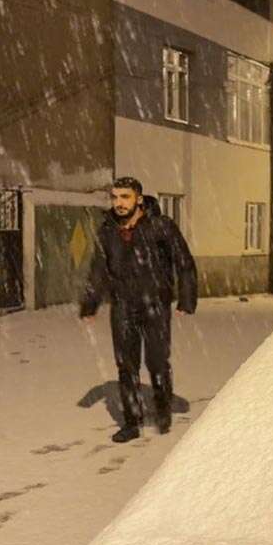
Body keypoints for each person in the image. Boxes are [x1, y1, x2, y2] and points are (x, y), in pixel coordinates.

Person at [80, 177, 197, 443]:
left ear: (139, 199)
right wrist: (90, 304)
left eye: (125, 197)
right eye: (115, 197)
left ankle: (163, 409)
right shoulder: (108, 230)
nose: (118, 203)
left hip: (155, 304)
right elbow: (99, 269)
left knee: (157, 362)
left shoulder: (161, 226)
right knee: (126, 366)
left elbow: (184, 262)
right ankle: (131, 423)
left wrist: (186, 299)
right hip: (123, 306)